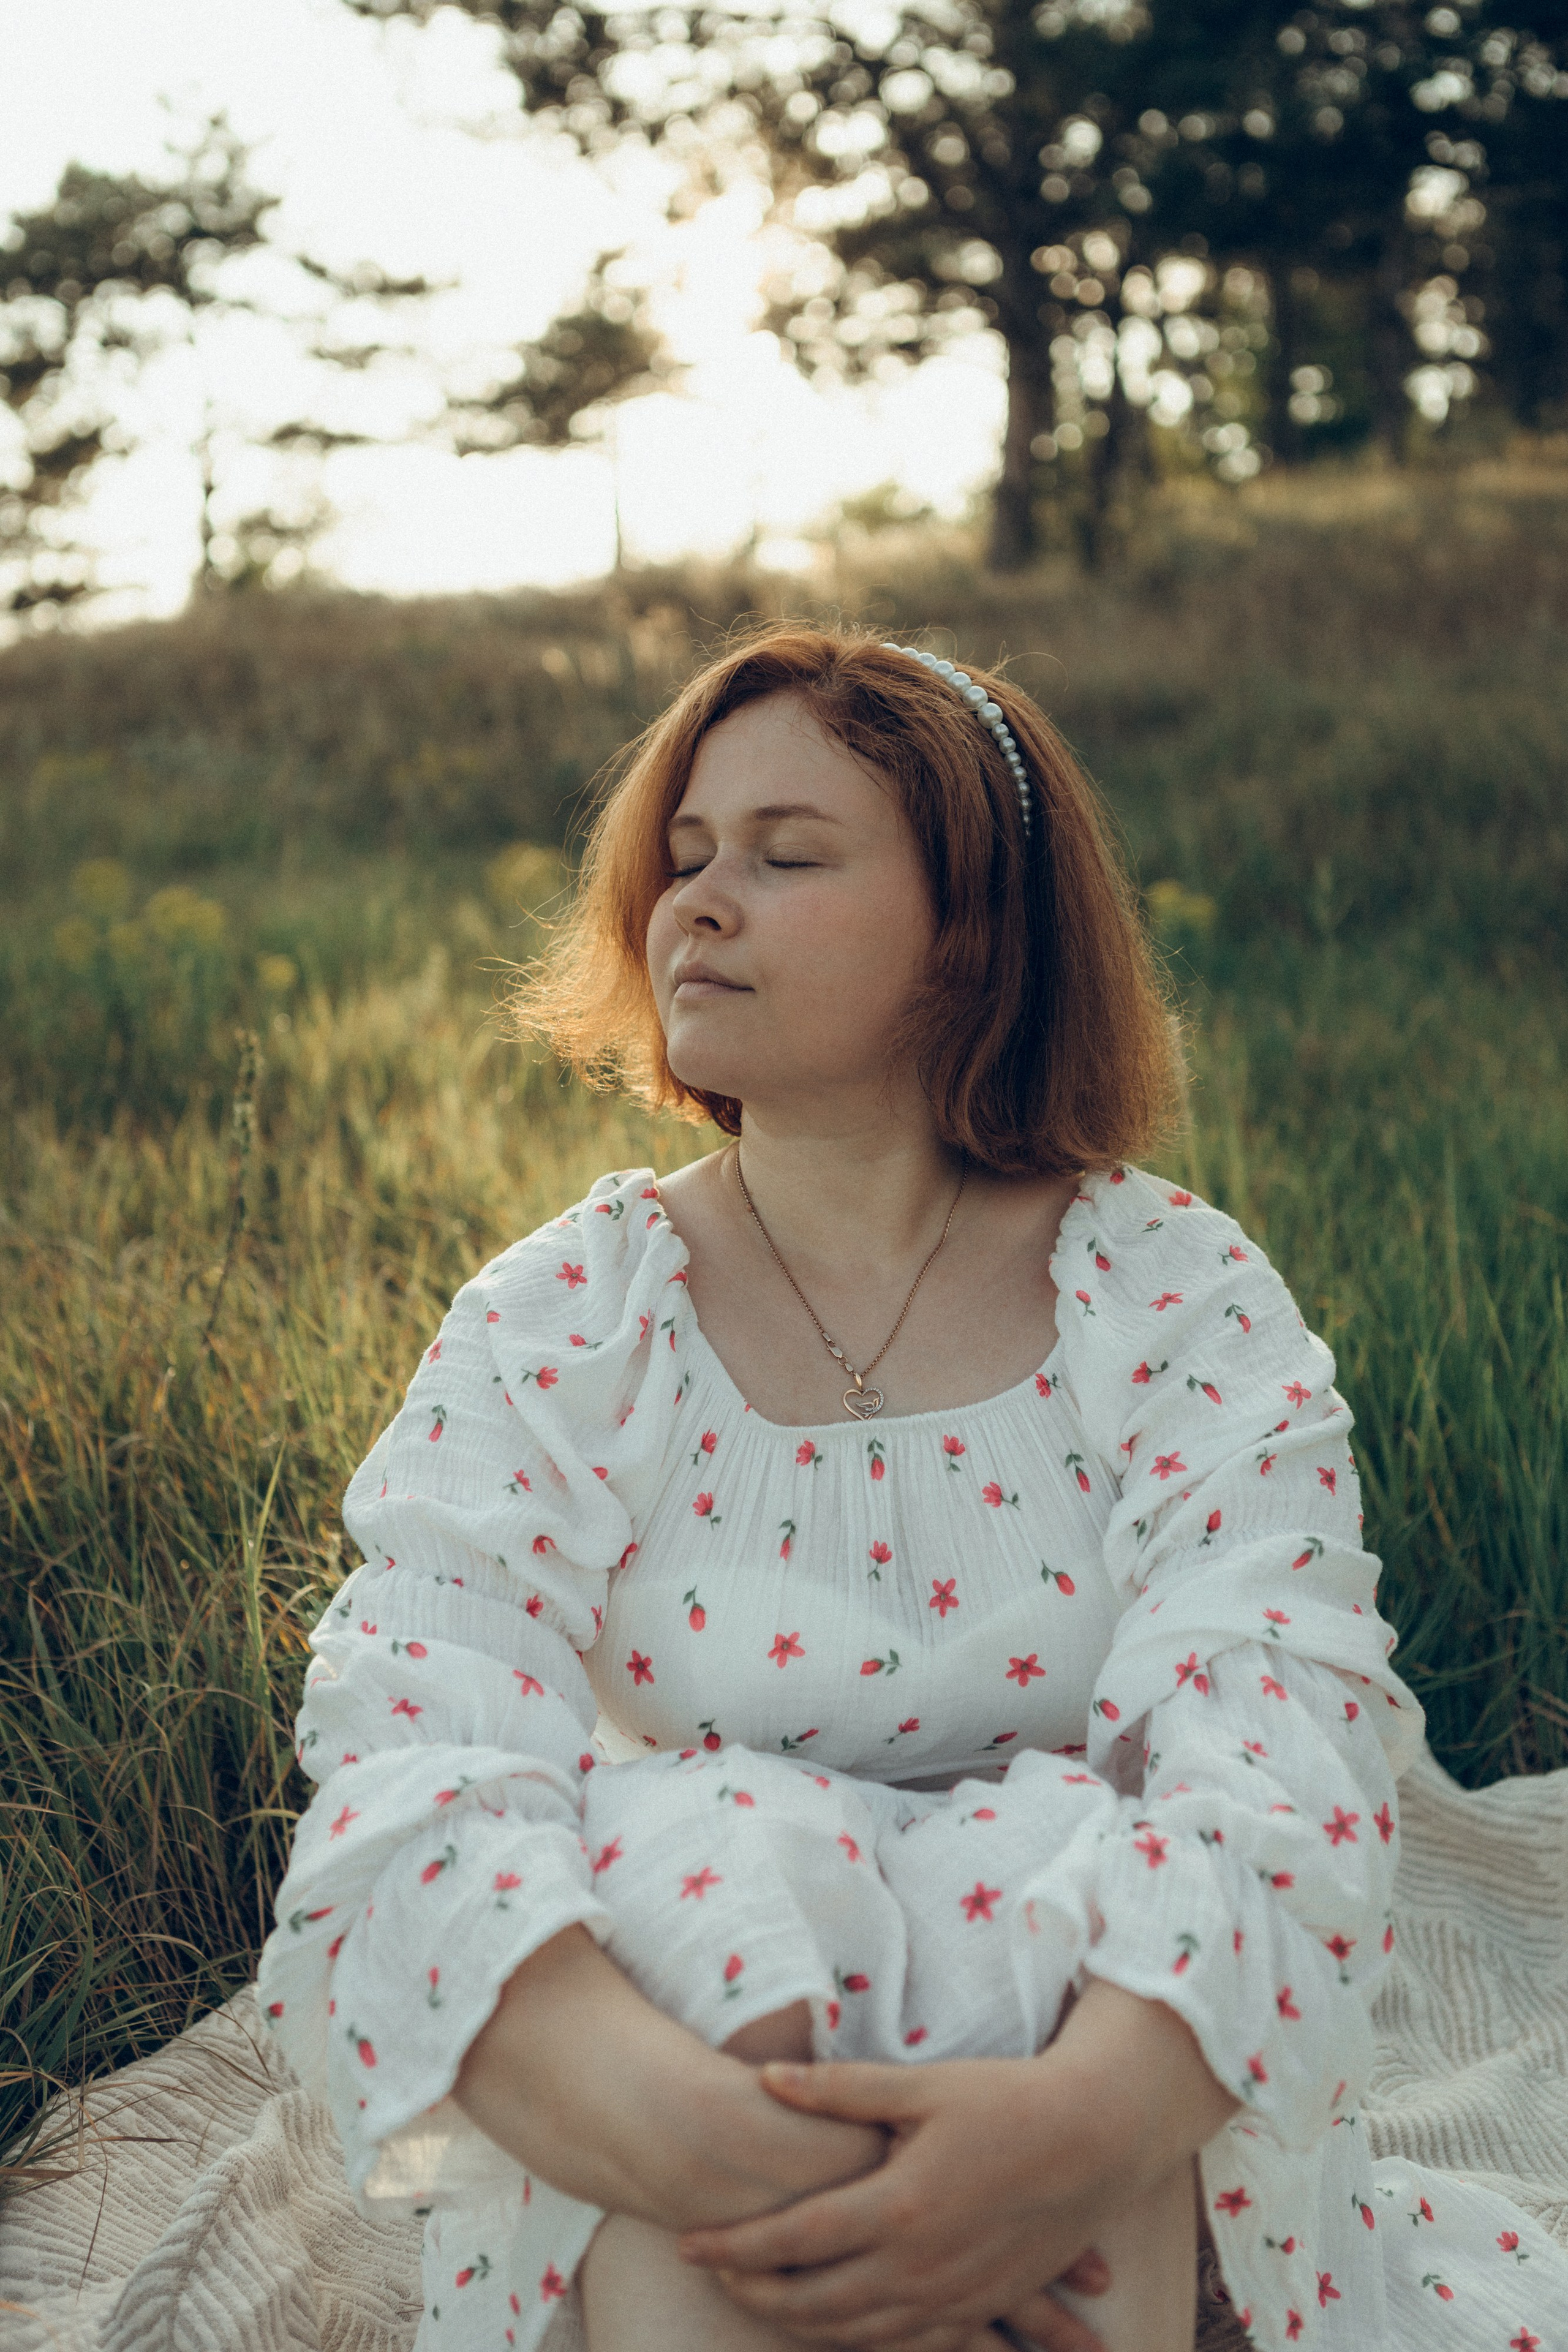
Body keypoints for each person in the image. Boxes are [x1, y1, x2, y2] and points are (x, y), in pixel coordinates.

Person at [258, 625, 1551, 2352]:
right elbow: (414, 1747)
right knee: (702, 1906)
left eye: (787, 858)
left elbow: (1281, 1747)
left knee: (1077, 1930)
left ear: (973, 936)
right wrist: (721, 2149)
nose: (699, 904)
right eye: (686, 857)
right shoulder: (570, 1314)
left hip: (1095, 2054)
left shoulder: (1170, 1293)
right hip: (693, 2053)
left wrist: (1064, 2129)